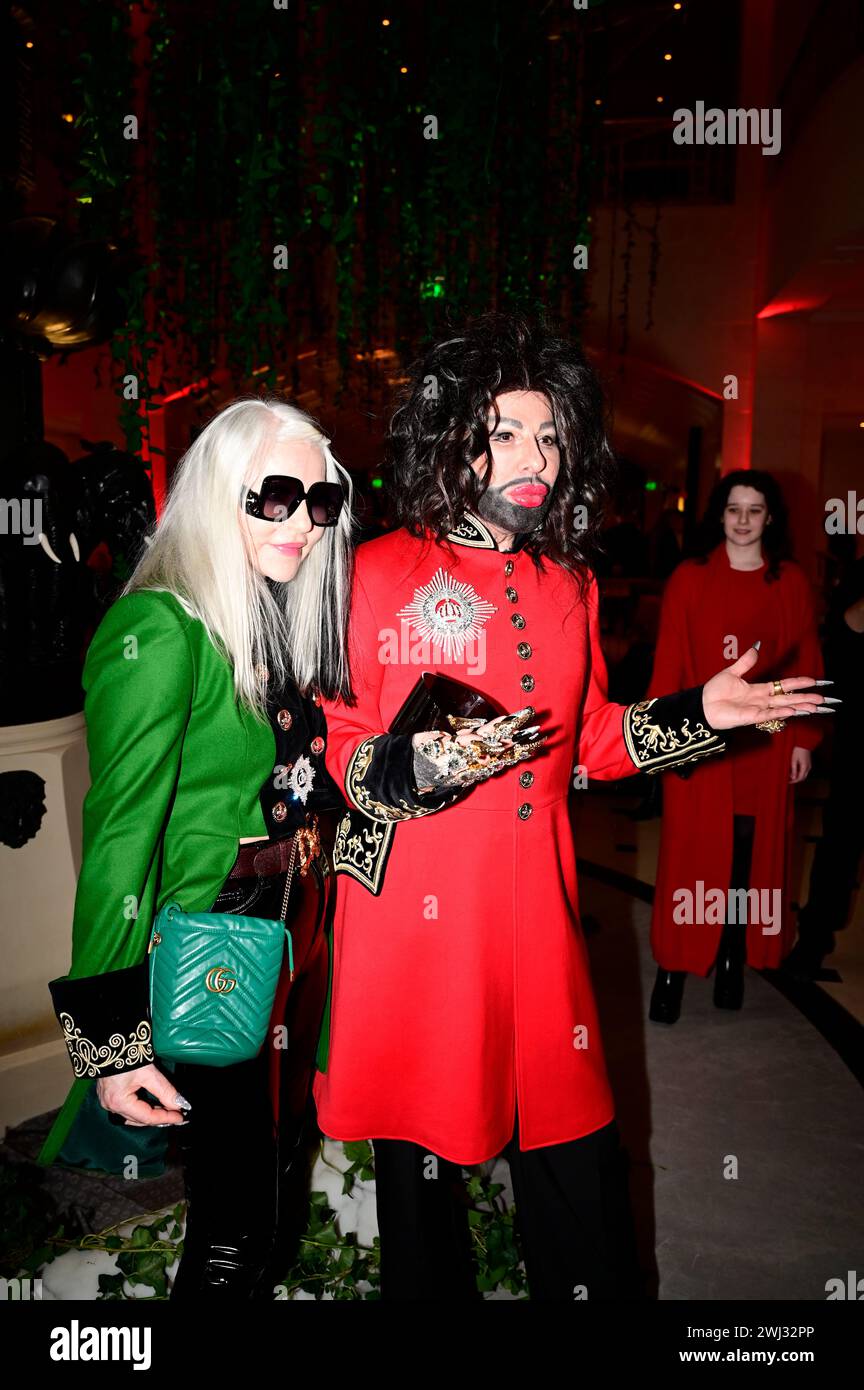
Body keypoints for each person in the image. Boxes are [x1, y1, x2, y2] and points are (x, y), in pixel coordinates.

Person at [312, 313, 829, 1300]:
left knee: (579, 1168)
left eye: (549, 435)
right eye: (507, 431)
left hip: (539, 930)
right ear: (450, 434)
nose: (536, 458)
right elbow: (340, 745)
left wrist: (698, 714)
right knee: (421, 1194)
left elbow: (589, 741)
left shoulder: (569, 584)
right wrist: (424, 761)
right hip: (415, 933)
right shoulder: (373, 573)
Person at [37, 396, 353, 1299]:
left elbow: (289, 781)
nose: (302, 522)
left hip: (292, 920)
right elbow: (119, 836)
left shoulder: (260, 616)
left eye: (320, 502)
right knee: (233, 1215)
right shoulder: (162, 629)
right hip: (217, 935)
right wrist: (110, 1042)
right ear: (219, 494)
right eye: (276, 496)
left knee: (280, 1163)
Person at [647, 471, 830, 1024]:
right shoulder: (689, 577)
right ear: (719, 516)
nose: (744, 520)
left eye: (755, 510)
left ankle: (732, 953)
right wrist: (666, 740)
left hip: (767, 742)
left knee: (746, 862)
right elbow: (669, 665)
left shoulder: (790, 582)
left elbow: (806, 666)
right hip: (701, 739)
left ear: (770, 517)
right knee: (687, 858)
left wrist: (802, 739)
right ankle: (672, 968)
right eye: (734, 510)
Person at [786, 556, 864, 978]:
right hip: (857, 739)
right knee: (842, 839)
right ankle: (813, 941)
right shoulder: (857, 577)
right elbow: (837, 650)